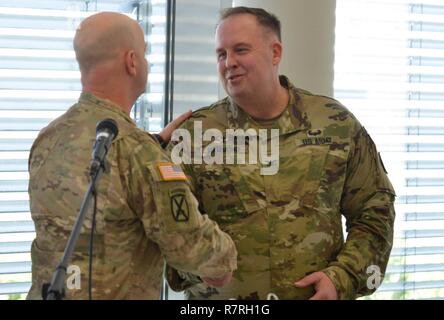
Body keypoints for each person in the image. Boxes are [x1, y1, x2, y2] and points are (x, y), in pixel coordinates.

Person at [167, 7, 396, 300]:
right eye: (221, 54)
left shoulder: (335, 124)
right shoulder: (195, 135)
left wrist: (342, 278)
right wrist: (197, 267)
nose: (229, 63)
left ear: (275, 53)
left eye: (240, 50)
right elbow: (165, 223)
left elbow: (375, 210)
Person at [26, 12, 237, 300]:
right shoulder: (137, 153)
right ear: (132, 61)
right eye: (145, 55)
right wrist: (227, 255)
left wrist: (153, 145)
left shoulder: (48, 138)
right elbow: (202, 255)